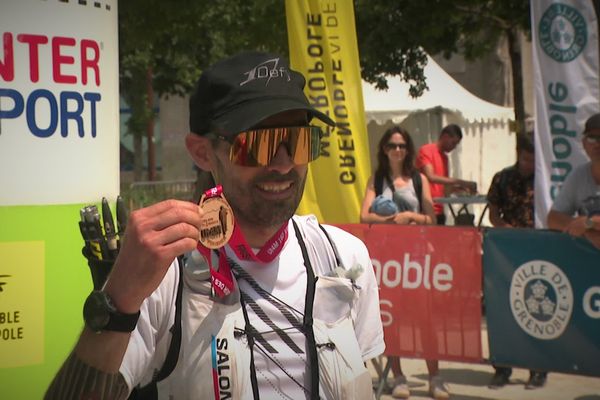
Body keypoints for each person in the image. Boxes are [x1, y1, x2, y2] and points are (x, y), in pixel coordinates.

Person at [45, 51, 385, 400]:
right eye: (259, 144)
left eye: (299, 142)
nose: (284, 165)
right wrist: (119, 297)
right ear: (203, 152)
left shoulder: (344, 257)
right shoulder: (166, 273)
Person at [360, 127, 448, 400]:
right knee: (392, 319)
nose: (397, 150)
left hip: (417, 260)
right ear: (384, 149)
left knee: (425, 320)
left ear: (408, 149)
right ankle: (398, 376)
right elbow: (364, 216)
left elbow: (431, 218)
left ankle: (435, 377)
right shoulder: (376, 179)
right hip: (389, 260)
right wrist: (388, 221)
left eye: (401, 145)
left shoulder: (419, 179)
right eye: (392, 145)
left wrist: (411, 215)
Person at [486, 132, 548, 389]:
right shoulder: (502, 178)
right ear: (518, 154)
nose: (529, 163)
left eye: (533, 159)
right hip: (507, 253)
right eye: (525, 158)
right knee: (503, 311)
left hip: (539, 251)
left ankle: (538, 369)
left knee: (537, 311)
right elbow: (492, 213)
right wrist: (504, 227)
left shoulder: (545, 179)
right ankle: (502, 368)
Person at [547, 112, 600, 249]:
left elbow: (586, 223)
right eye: (592, 138)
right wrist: (587, 230)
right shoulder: (579, 175)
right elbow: (553, 218)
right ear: (584, 143)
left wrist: (589, 223)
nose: (597, 145)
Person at [416, 124, 478, 225]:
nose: (454, 147)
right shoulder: (426, 150)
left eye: (456, 144)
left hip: (439, 210)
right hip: (425, 209)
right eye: (453, 143)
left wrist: (459, 189)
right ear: (445, 136)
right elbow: (431, 177)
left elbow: (444, 189)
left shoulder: (444, 158)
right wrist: (462, 182)